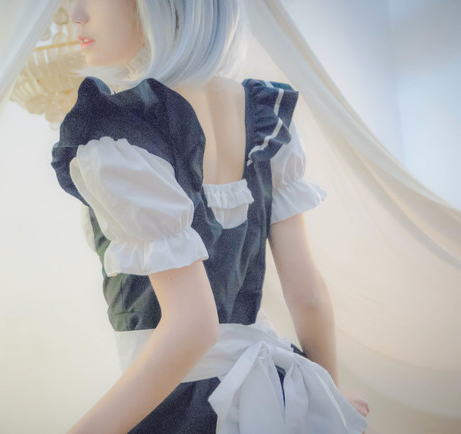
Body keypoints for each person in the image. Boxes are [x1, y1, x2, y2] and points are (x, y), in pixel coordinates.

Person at [51, 0, 370, 432]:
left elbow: (192, 329)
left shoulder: (122, 136)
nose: (75, 15)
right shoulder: (263, 118)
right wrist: (324, 397)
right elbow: (308, 293)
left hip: (182, 408)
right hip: (274, 398)